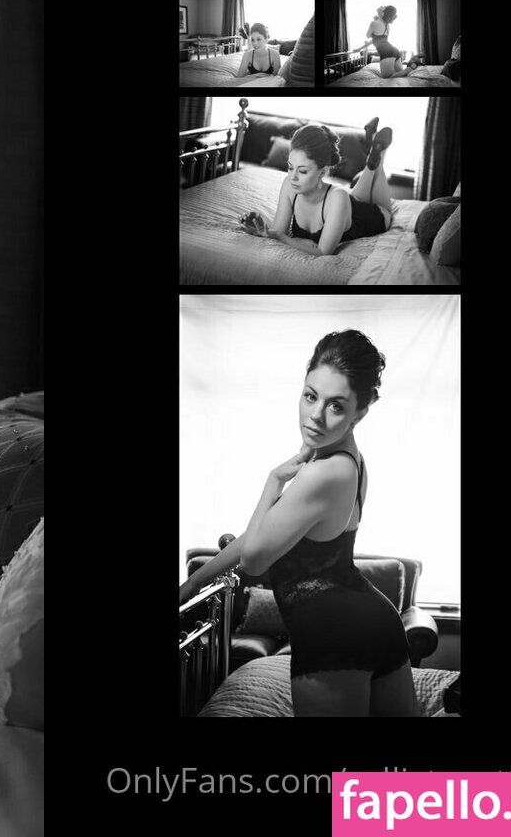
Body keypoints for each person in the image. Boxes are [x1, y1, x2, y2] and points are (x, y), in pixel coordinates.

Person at [178, 331, 417, 717]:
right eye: (310, 396)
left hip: (332, 636)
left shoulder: (321, 474)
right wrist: (192, 584)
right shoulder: (348, 461)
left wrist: (272, 481)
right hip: (376, 621)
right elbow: (264, 533)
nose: (316, 415)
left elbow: (254, 558)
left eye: (336, 405)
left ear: (360, 413)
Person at [238, 121, 392, 255]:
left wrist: (282, 237)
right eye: (290, 167)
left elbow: (322, 252)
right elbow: (278, 230)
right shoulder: (289, 185)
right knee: (355, 196)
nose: (293, 177)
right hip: (345, 206)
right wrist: (263, 231)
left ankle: (376, 158)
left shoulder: (338, 197)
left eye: (303, 171)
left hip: (372, 217)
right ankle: (373, 154)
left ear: (323, 172)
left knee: (383, 211)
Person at [353, 6, 418, 78]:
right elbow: (376, 40)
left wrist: (375, 21)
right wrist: (359, 49)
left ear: (382, 13)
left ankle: (409, 69)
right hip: (395, 51)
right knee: (401, 74)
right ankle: (411, 66)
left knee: (387, 77)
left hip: (386, 52)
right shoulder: (387, 26)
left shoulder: (374, 23)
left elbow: (367, 35)